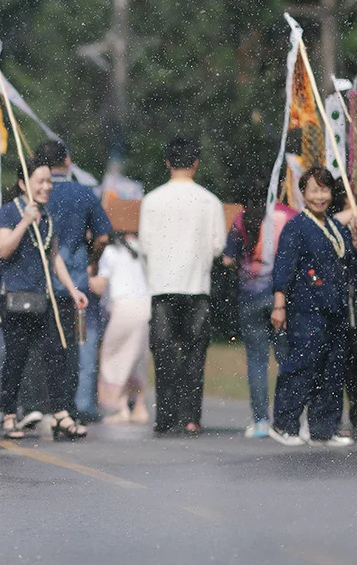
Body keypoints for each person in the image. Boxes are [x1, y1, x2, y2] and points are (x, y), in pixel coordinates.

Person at [0, 163, 90, 439]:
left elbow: (54, 257)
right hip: (16, 298)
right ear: (23, 184)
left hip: (44, 297)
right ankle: (9, 414)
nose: (47, 187)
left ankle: (61, 413)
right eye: (40, 181)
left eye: (49, 181)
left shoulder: (49, 215)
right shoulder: (9, 212)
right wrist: (25, 222)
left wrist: (72, 289)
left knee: (57, 355)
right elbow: (3, 249)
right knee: (16, 358)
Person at [137, 136, 227, 436]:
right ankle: (190, 417)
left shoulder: (152, 200)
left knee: (163, 355)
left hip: (162, 286)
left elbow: (144, 245)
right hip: (196, 286)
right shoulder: (210, 201)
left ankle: (165, 417)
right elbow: (218, 246)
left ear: (167, 162)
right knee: (194, 354)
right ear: (196, 163)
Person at [268, 168, 357, 447]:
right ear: (303, 193)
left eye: (325, 190)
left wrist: (355, 238)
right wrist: (279, 305)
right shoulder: (296, 227)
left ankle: (324, 429)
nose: (320, 197)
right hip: (306, 310)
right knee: (302, 366)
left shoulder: (335, 226)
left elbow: (349, 262)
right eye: (314, 190)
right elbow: (284, 267)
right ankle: (284, 425)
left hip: (335, 309)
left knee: (332, 368)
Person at [35, 142, 114, 423]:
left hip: (41, 281)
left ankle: (42, 406)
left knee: (42, 344)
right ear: (67, 161)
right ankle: (81, 405)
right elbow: (103, 236)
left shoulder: (37, 193)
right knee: (82, 341)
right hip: (77, 281)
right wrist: (92, 259)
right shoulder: (83, 193)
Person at [231, 189, 295, 438]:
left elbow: (227, 258)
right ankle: (286, 417)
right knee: (285, 358)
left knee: (257, 360)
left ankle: (260, 421)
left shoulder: (242, 217)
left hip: (250, 297)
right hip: (282, 299)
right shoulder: (289, 216)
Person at [94, 233, 151, 424]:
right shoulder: (139, 248)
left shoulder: (111, 252)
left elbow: (100, 286)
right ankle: (139, 406)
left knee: (113, 359)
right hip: (145, 305)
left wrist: (79, 279)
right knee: (136, 359)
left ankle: (119, 408)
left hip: (123, 306)